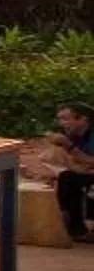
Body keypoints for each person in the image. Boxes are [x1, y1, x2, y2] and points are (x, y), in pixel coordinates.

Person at [46, 102, 94, 240]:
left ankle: (74, 226)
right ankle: (71, 224)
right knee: (66, 177)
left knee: (69, 178)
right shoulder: (76, 135)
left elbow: (89, 161)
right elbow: (80, 164)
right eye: (60, 119)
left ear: (83, 119)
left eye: (66, 119)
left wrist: (68, 146)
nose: (61, 123)